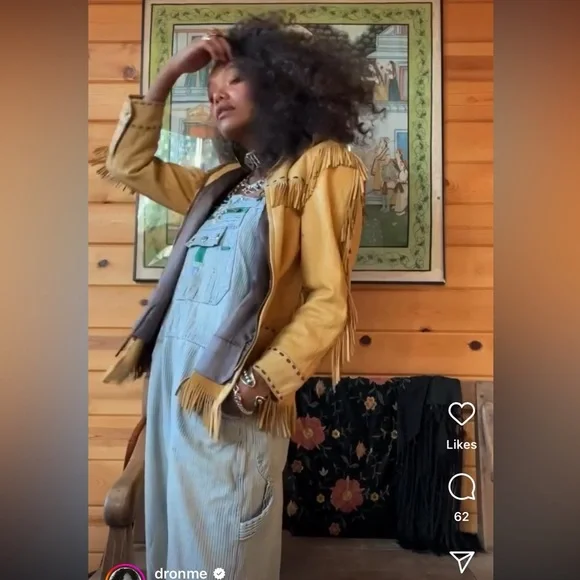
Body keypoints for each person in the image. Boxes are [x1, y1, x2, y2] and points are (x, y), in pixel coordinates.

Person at [91, 14, 376, 580]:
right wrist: (170, 74)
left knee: (221, 556)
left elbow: (327, 299)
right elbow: (127, 164)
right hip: (171, 394)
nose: (217, 93)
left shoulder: (321, 168)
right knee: (174, 558)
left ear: (279, 86)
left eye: (235, 79)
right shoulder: (219, 185)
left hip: (232, 402)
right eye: (211, 86)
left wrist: (257, 386)